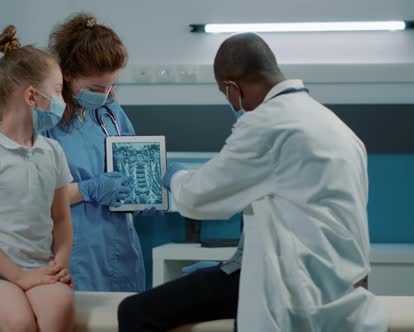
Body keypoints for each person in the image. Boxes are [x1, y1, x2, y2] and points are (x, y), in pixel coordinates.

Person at [118, 33, 387, 332]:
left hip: (294, 289)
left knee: (134, 311)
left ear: (233, 89)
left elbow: (198, 198)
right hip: (343, 285)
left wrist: (174, 175)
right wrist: (233, 268)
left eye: (225, 93)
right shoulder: (335, 126)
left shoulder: (266, 124)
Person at [0, 25, 75, 332]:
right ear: (32, 96)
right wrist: (19, 276)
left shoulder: (53, 151)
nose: (64, 100)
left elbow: (61, 218)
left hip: (39, 269)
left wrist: (60, 262)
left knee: (57, 313)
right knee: (19, 322)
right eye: (59, 90)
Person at [44, 13, 156, 292]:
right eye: (96, 88)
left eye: (111, 86)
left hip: (121, 246)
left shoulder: (111, 114)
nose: (105, 94)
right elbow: (33, 197)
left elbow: (133, 165)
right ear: (67, 74)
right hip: (75, 251)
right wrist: (90, 189)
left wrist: (145, 194)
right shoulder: (44, 122)